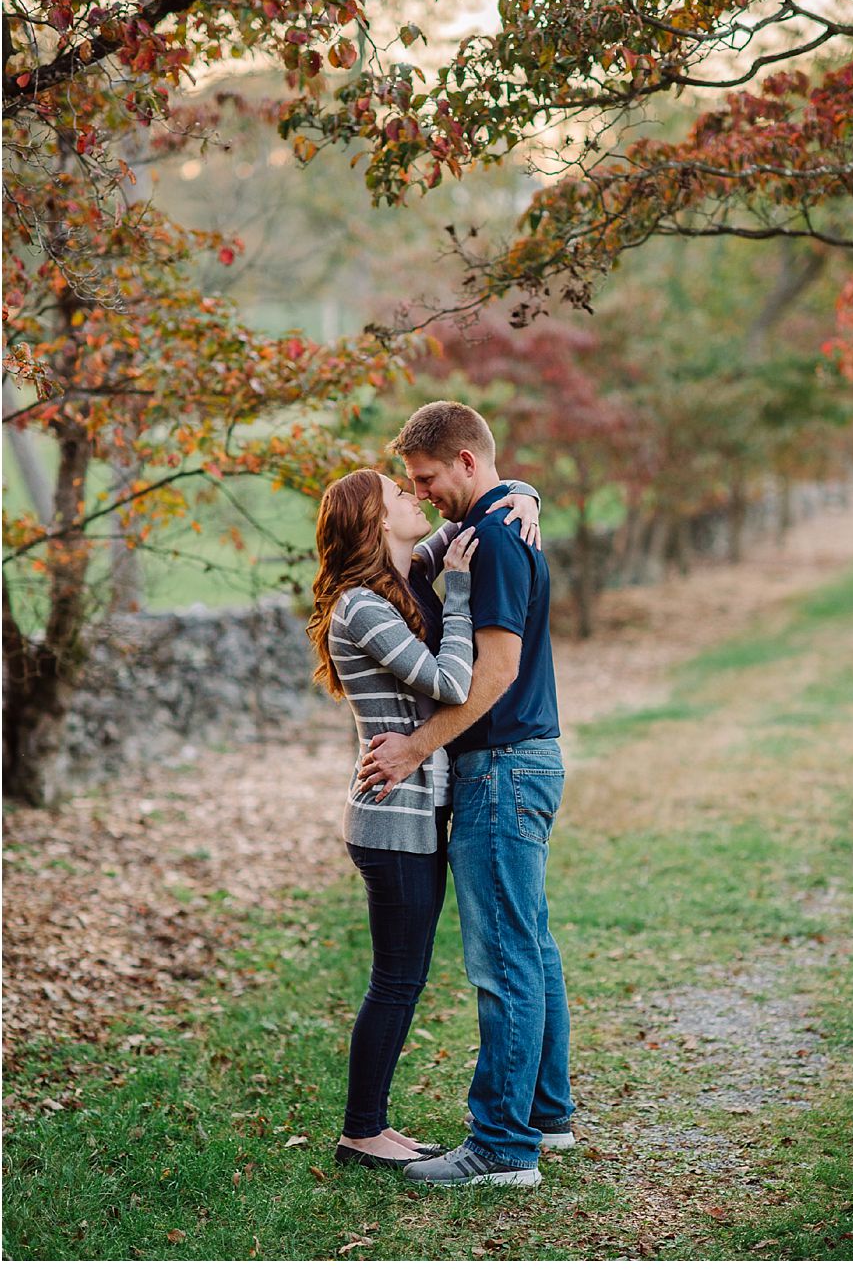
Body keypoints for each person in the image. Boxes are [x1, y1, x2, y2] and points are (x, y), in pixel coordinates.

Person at [357, 401, 573, 1189]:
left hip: (504, 768)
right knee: (531, 947)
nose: (425, 493)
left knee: (504, 960)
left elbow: (497, 671)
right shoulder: (497, 522)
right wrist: (525, 488)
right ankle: (547, 1117)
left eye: (427, 478)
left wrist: (416, 746)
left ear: (465, 461)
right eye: (411, 484)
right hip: (517, 764)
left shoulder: (496, 541)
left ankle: (503, 1148)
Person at [307, 468, 543, 1170]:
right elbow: (448, 683)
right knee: (397, 980)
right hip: (391, 822)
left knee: (403, 977)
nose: (416, 499)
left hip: (413, 813)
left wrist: (523, 492)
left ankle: (370, 1124)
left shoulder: (403, 576)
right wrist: (464, 596)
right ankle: (361, 1131)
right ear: (376, 523)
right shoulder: (362, 606)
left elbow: (474, 514)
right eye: (398, 494)